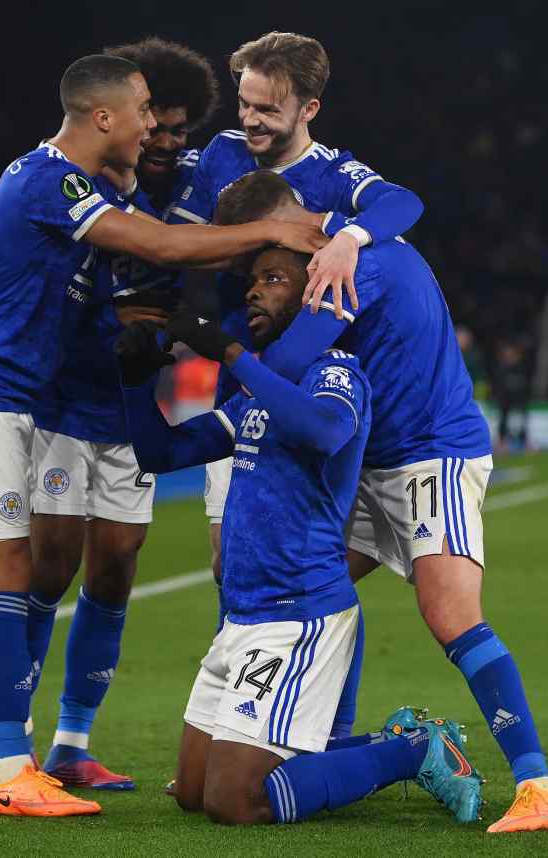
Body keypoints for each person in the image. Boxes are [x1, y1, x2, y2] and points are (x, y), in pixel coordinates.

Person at [0, 53, 327, 819]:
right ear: (102, 117)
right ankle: (9, 768)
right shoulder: (52, 180)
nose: (152, 126)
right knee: (1, 578)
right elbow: (160, 248)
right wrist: (271, 229)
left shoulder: (78, 184)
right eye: (140, 111)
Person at [213, 171, 548, 833]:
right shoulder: (341, 250)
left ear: (286, 221)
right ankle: (317, 742)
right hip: (372, 459)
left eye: (258, 244)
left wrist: (219, 343)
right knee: (304, 578)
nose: (252, 263)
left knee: (450, 614)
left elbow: (290, 358)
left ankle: (539, 785)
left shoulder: (357, 262)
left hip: (428, 455)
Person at [114, 247, 483, 826]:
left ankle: (416, 750)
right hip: (242, 617)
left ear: (312, 296)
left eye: (274, 279)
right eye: (250, 283)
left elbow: (322, 429)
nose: (253, 292)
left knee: (234, 802)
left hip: (299, 613)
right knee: (193, 791)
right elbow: (161, 452)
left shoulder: (336, 372)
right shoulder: (262, 389)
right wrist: (136, 380)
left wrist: (231, 354)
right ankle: (391, 743)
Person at [164, 36, 424, 719]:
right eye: (244, 102)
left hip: (313, 395)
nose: (249, 120)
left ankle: (327, 727)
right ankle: (238, 716)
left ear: (308, 107)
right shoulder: (217, 155)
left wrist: (349, 235)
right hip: (238, 384)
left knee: (320, 575)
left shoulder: (336, 175)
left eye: (267, 109)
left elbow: (403, 206)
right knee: (234, 565)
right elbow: (179, 241)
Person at [27, 38, 221, 791]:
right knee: (49, 566)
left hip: (132, 405)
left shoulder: (196, 186)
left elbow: (198, 284)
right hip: (63, 399)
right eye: (158, 126)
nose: (167, 142)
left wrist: (167, 331)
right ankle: (17, 741)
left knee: (115, 567)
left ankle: (74, 741)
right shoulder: (90, 181)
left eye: (179, 130)